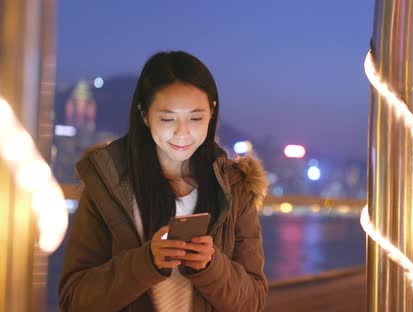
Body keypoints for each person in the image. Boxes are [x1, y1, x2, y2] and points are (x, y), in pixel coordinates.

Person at [58, 51, 269, 311]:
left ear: (212, 112)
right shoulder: (108, 184)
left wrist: (211, 266)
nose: (182, 133)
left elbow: (253, 302)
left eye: (195, 117)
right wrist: (147, 262)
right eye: (168, 118)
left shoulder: (234, 187)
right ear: (144, 114)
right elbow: (74, 300)